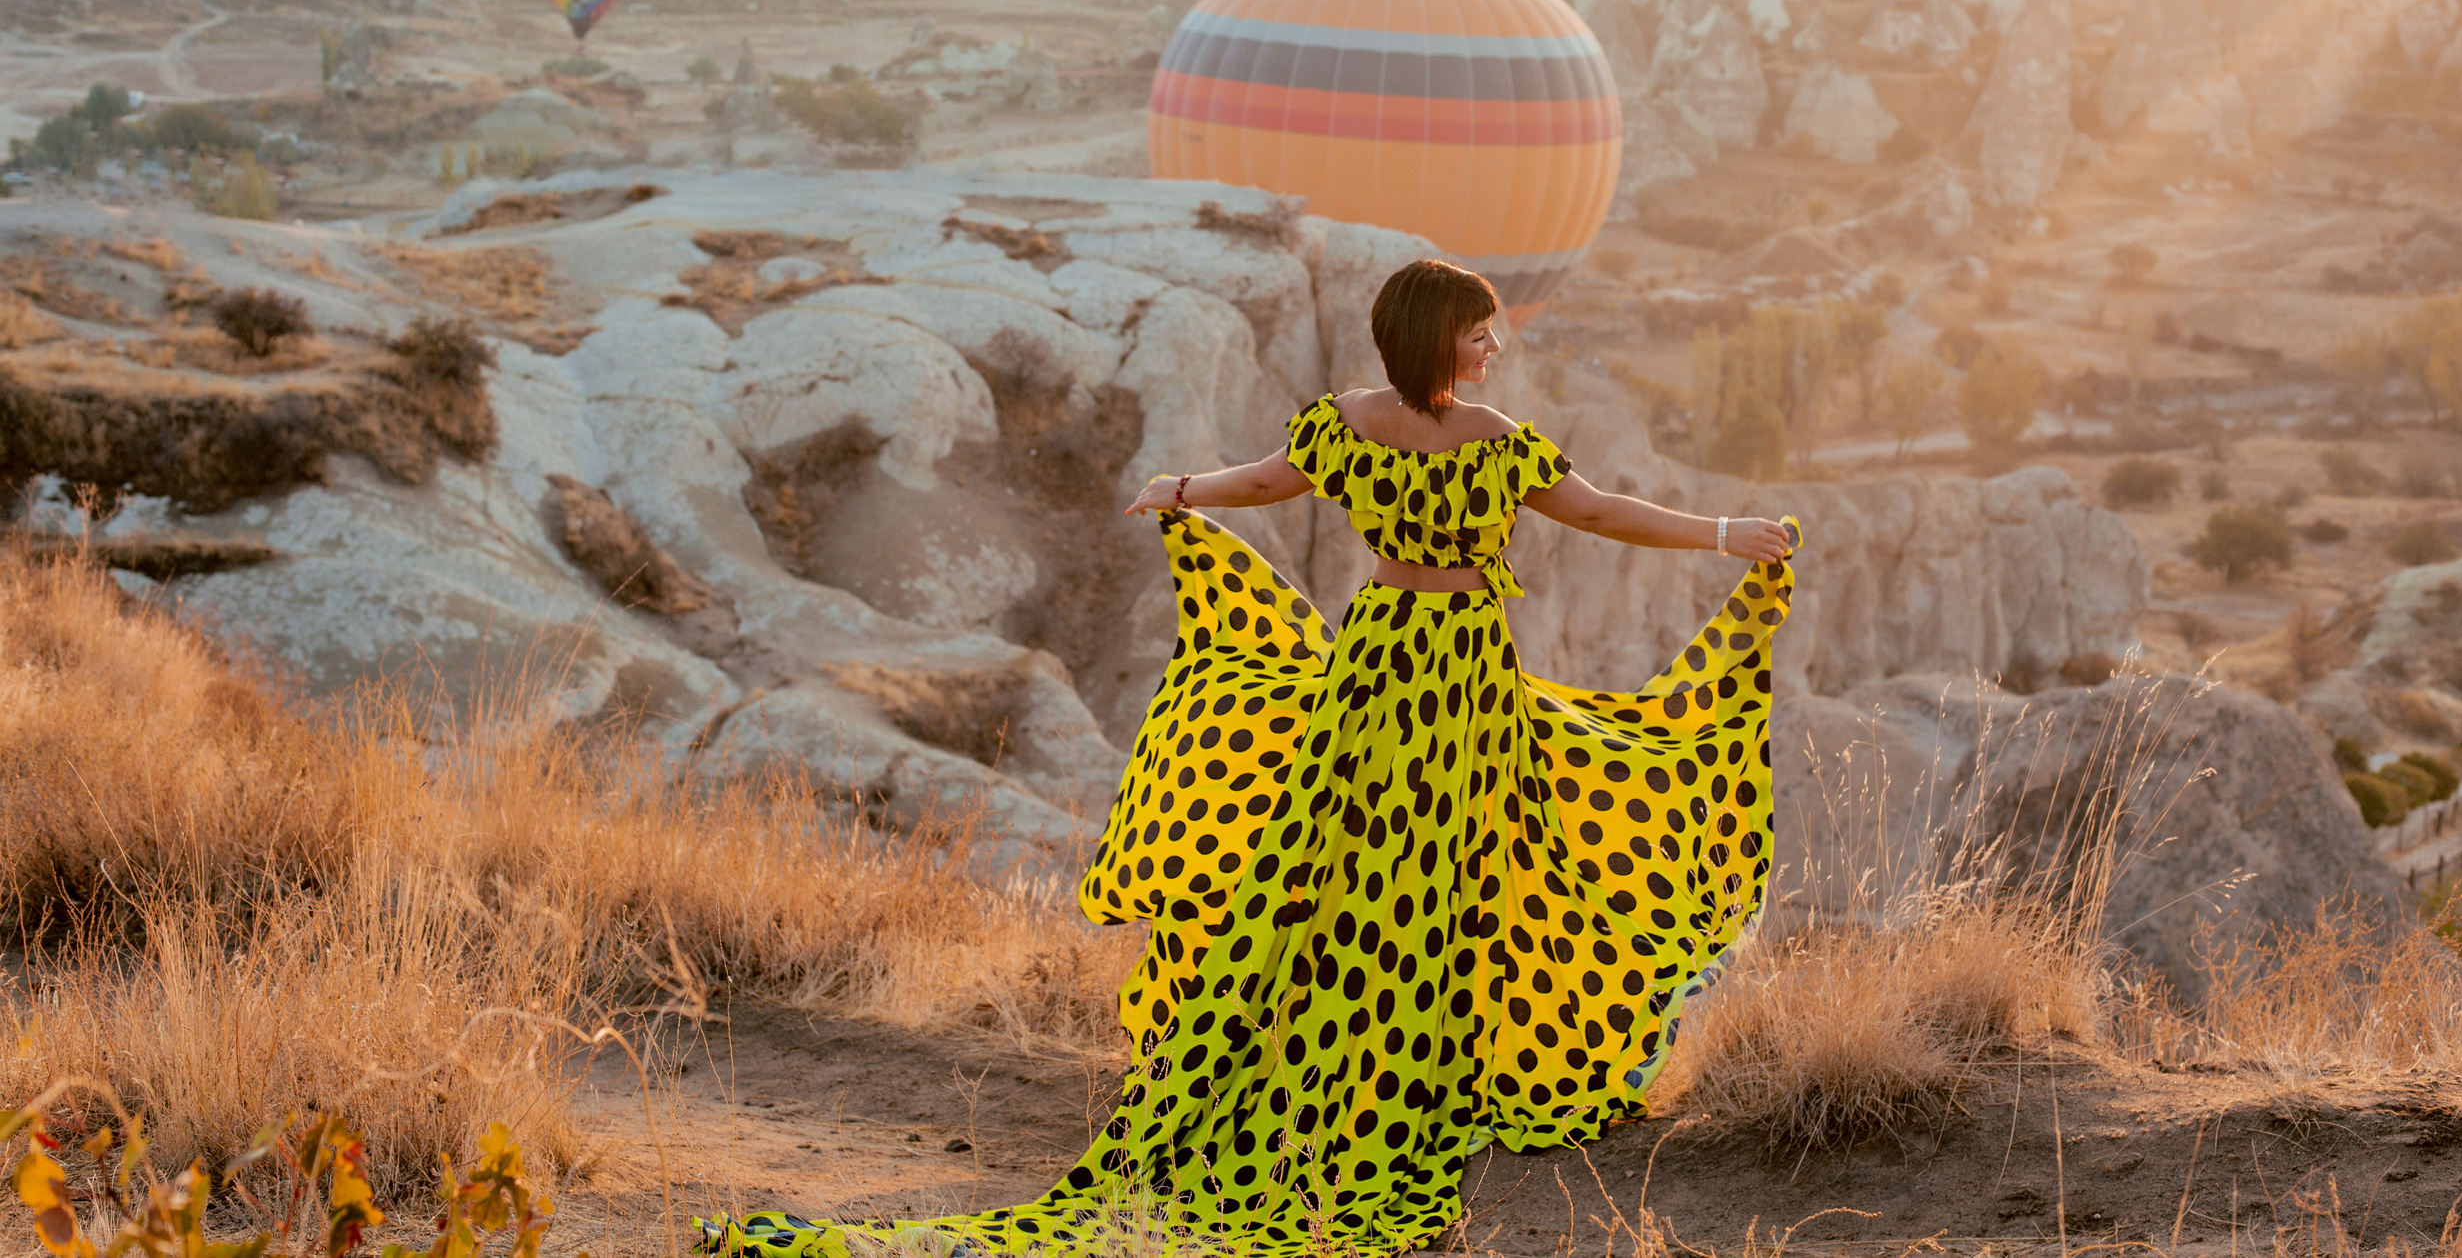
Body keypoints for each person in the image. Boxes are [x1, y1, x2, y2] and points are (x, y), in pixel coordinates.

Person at [700, 259, 1798, 1258]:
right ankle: (1405, 1080)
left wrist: (1188, 491)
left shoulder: (1358, 427)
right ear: (1431, 337)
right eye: (1477, 335)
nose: (1491, 351)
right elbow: (1592, 511)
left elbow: (1275, 482)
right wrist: (1718, 532)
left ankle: (1354, 1062)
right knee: (1437, 873)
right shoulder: (1489, 441)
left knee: (1355, 870)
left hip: (1387, 662)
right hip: (1451, 670)